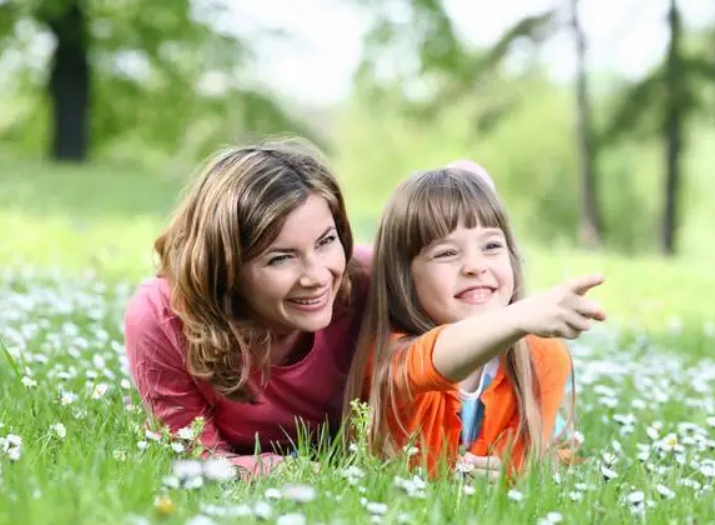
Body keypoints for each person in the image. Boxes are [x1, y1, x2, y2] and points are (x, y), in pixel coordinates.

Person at [124, 138, 373, 478]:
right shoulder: (163, 316)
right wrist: (284, 470)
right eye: (281, 258)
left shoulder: (368, 283)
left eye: (326, 241)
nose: (317, 276)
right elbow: (197, 459)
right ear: (225, 266)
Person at [343, 167, 605, 479]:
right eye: (447, 253)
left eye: (492, 246)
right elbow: (433, 360)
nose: (474, 266)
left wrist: (511, 477)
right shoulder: (390, 357)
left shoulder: (542, 357)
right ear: (404, 277)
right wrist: (519, 316)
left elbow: (524, 467)